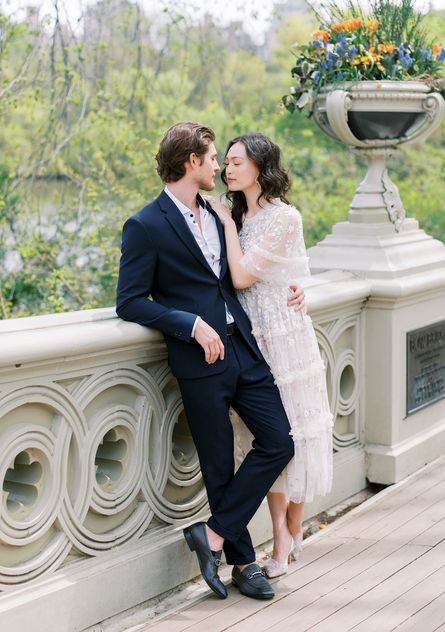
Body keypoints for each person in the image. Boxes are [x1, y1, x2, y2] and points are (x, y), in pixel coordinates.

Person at [115, 122, 307, 600]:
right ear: (190, 163)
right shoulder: (145, 225)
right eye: (212, 158)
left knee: (280, 441)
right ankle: (244, 563)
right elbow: (130, 301)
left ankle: (213, 534)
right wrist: (188, 324)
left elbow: (265, 264)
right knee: (219, 463)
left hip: (243, 345)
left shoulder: (224, 213)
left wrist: (300, 288)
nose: (219, 166)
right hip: (198, 357)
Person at [207, 132, 333, 578]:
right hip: (251, 336)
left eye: (237, 161)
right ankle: (280, 530)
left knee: (294, 430)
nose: (227, 168)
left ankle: (291, 527)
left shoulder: (284, 218)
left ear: (261, 166)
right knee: (268, 436)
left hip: (283, 334)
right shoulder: (238, 217)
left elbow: (242, 276)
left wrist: (224, 224)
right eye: (225, 162)